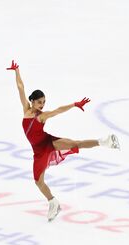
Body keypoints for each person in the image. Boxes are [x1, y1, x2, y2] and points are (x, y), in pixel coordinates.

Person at [6, 59, 120, 222]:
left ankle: (106, 141)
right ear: (32, 101)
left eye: (44, 102)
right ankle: (53, 202)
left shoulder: (42, 116)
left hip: (48, 142)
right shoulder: (26, 109)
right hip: (38, 151)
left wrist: (74, 104)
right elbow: (20, 88)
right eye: (39, 102)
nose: (42, 105)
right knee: (38, 182)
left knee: (75, 143)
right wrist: (17, 71)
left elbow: (58, 111)